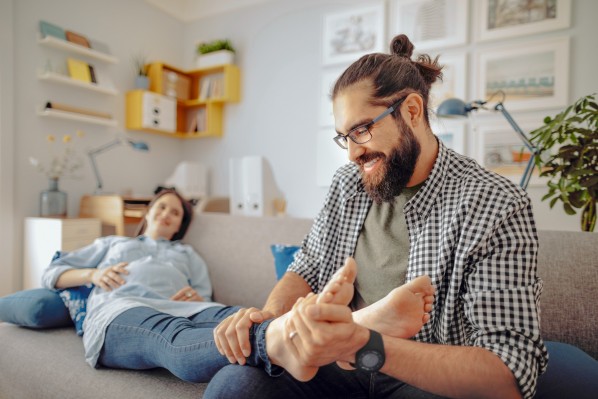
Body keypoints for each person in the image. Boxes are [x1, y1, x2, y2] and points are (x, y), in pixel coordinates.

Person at [206, 34, 550, 399]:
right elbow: (306, 268)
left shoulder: (496, 203)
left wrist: (362, 344)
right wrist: (271, 319)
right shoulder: (347, 184)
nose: (353, 153)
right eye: (344, 137)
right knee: (235, 385)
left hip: (421, 373)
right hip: (334, 365)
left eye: (362, 130)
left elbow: (509, 373)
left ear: (412, 111)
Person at [41, 188, 434, 383]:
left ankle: (349, 330)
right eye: (161, 206)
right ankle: (299, 337)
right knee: (169, 337)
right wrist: (92, 276)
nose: (166, 213)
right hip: (124, 310)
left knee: (234, 318)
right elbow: (53, 273)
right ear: (148, 214)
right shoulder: (113, 243)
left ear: (180, 225)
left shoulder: (187, 256)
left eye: (175, 211)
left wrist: (198, 297)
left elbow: (207, 297)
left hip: (191, 308)